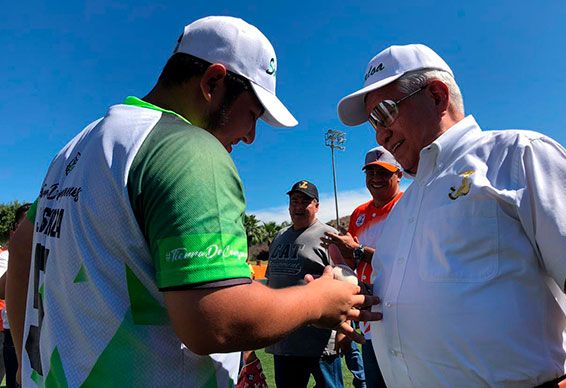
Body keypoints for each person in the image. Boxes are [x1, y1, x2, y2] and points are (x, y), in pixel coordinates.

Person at [6, 16, 380, 387]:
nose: (250, 136)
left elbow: (22, 246)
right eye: (252, 114)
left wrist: (24, 364)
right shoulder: (188, 148)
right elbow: (215, 321)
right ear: (213, 82)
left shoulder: (76, 147)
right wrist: (318, 299)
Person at [336, 43, 566, 386]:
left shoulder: (517, 155)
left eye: (384, 113)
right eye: (372, 122)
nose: (379, 134)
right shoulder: (404, 206)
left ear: (436, 96)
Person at [322, 146, 402, 387]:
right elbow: (355, 264)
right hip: (369, 318)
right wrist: (341, 254)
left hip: (401, 314)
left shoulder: (407, 206)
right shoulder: (360, 213)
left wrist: (357, 250)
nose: (375, 179)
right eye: (370, 173)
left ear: (398, 174)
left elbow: (404, 259)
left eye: (383, 173)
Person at [265, 180, 344, 388]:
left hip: (319, 341)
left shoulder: (330, 236)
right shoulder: (280, 236)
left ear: (316, 205)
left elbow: (344, 284)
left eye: (305, 202)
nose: (298, 207)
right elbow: (270, 280)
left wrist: (343, 331)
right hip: (284, 340)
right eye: (294, 201)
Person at [0, 204, 31, 388]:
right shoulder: (8, 256)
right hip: (14, 332)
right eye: (25, 225)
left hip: (39, 330)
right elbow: (2, 289)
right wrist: (19, 250)